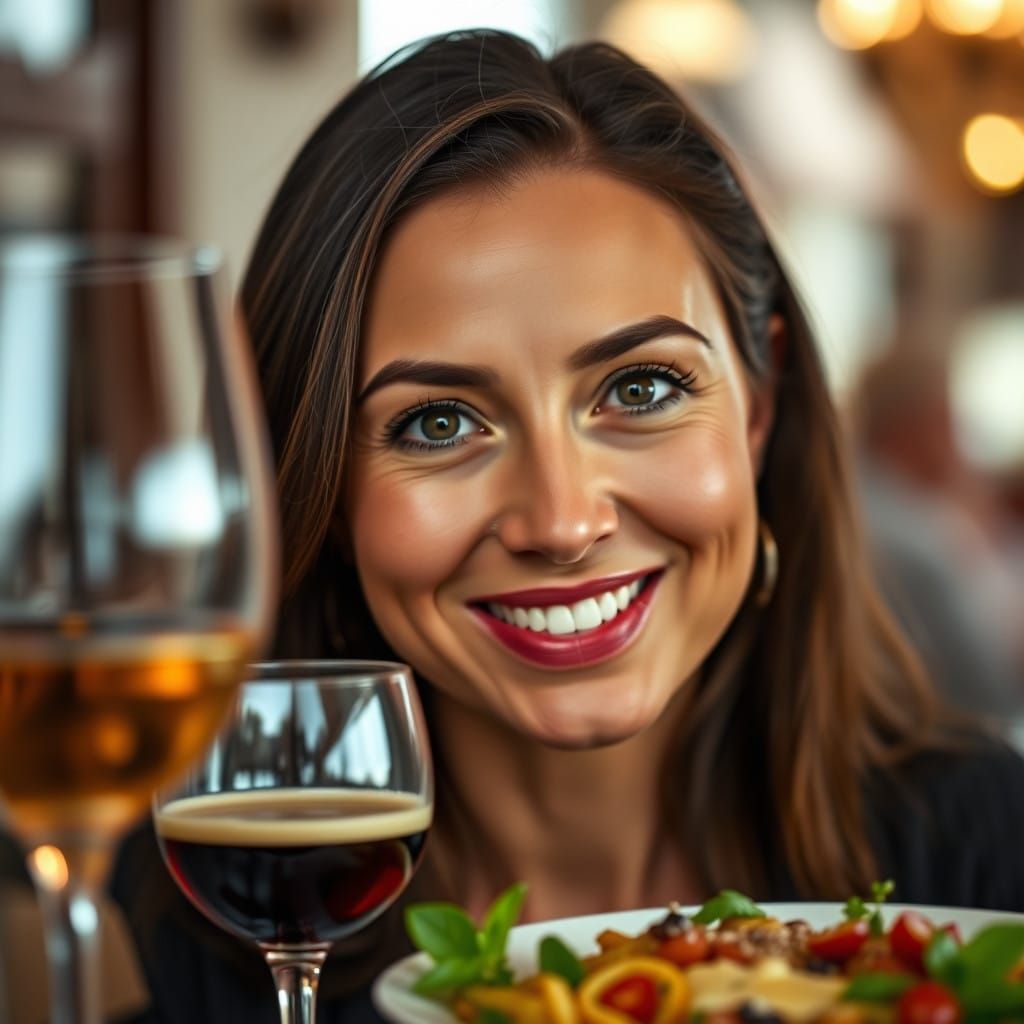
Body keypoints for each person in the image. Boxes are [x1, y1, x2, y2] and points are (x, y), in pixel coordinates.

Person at [108, 29, 1024, 1024]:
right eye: (438, 422)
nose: (562, 519)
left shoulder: (984, 853)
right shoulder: (204, 922)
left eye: (639, 387)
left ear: (759, 407)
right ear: (319, 481)